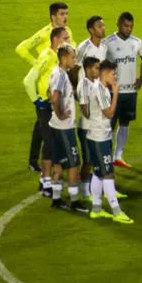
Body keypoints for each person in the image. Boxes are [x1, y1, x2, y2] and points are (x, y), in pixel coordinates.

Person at [16, 2, 72, 172]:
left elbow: (72, 50)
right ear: (53, 16)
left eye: (66, 13)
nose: (65, 17)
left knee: (42, 126)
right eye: (62, 14)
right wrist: (37, 66)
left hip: (60, 88)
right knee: (48, 131)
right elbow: (21, 48)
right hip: (45, 90)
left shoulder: (66, 32)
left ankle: (36, 162)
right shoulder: (44, 34)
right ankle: (49, 171)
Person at [23, 25, 70, 197]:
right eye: (65, 39)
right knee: (50, 144)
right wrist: (38, 101)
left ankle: (47, 181)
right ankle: (45, 183)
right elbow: (28, 80)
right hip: (46, 106)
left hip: (56, 105)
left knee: (54, 144)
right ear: (56, 40)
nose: (68, 41)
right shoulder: (46, 56)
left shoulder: (59, 57)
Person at [85, 60, 133, 224]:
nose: (115, 76)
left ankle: (96, 210)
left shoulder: (100, 87)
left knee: (98, 172)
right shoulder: (99, 89)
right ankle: (116, 211)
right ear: (104, 73)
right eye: (113, 73)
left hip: (97, 136)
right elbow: (110, 113)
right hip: (99, 138)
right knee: (108, 173)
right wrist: (116, 93)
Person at [47, 43, 88, 213]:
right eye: (72, 56)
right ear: (63, 57)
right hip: (64, 127)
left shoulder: (56, 72)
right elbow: (55, 96)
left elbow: (49, 92)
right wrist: (60, 112)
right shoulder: (62, 75)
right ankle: (74, 201)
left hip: (55, 126)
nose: (74, 59)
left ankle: (56, 199)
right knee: (73, 164)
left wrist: (55, 108)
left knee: (58, 163)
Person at [105, 12, 142, 167]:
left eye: (131, 26)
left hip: (130, 92)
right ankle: (106, 156)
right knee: (109, 124)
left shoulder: (137, 42)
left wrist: (141, 78)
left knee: (125, 123)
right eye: (126, 25)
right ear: (118, 24)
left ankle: (118, 156)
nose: (128, 29)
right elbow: (101, 64)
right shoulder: (108, 42)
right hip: (113, 92)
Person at [76, 55, 101, 201]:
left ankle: (94, 188)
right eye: (96, 68)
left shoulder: (96, 82)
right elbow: (84, 110)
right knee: (88, 160)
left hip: (95, 127)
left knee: (96, 159)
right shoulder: (84, 85)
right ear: (88, 69)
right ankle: (85, 192)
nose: (99, 70)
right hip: (87, 128)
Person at [75, 16, 108, 82]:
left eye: (103, 26)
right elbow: (75, 68)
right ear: (91, 30)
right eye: (99, 26)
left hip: (98, 87)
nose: (103, 28)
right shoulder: (84, 47)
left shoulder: (104, 47)